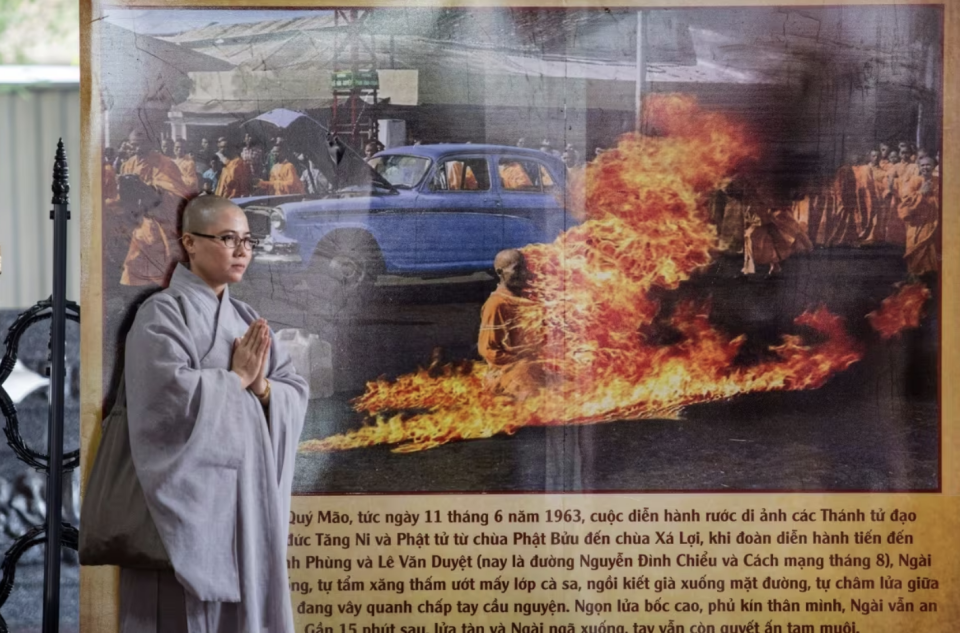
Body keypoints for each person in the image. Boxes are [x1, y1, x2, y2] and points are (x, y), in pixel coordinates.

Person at [120, 194, 309, 632]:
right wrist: (235, 380)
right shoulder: (162, 314)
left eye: (248, 240)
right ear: (189, 242)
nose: (243, 251)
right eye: (228, 239)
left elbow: (291, 390)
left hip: (247, 497)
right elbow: (163, 402)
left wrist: (262, 387)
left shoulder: (245, 317)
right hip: (191, 503)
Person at [478, 249, 546, 401]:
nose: (524, 273)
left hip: (532, 365)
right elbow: (488, 350)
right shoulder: (496, 304)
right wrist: (522, 361)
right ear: (500, 272)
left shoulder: (526, 298)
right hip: (508, 372)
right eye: (517, 269)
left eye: (524, 267)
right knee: (536, 398)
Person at [897, 155, 940, 276]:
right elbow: (906, 202)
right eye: (922, 165)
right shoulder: (913, 181)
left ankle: (931, 278)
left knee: (933, 251)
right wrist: (921, 193)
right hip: (917, 223)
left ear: (933, 166)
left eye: (928, 165)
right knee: (917, 249)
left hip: (934, 222)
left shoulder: (938, 180)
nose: (925, 168)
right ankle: (916, 278)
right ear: (919, 167)